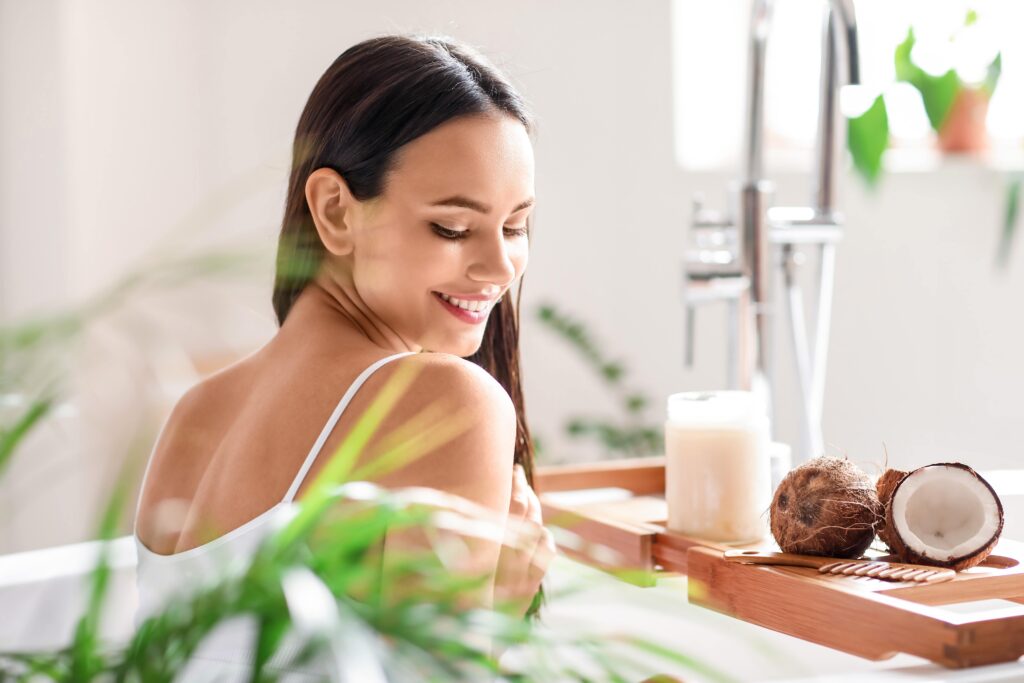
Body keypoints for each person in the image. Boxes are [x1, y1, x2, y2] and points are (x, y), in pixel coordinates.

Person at [132, 34, 554, 677]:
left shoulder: (196, 414)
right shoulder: (445, 401)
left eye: (515, 226)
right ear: (335, 211)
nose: (499, 266)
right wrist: (499, 613)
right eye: (452, 227)